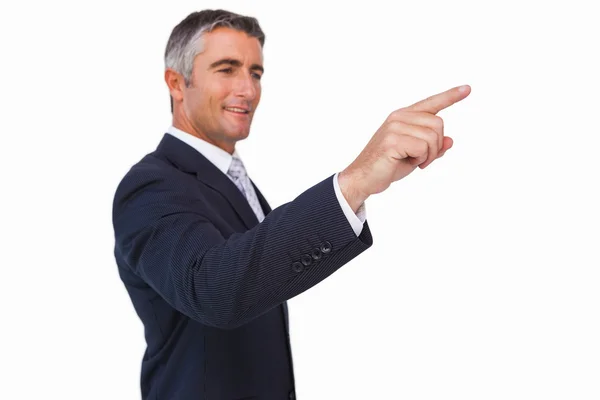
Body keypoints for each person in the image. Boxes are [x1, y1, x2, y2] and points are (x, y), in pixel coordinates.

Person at [112, 8, 471, 400]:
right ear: (177, 83)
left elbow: (256, 280)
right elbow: (215, 290)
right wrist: (352, 184)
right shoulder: (150, 186)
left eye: (255, 73)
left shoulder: (233, 180)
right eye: (227, 69)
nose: (248, 90)